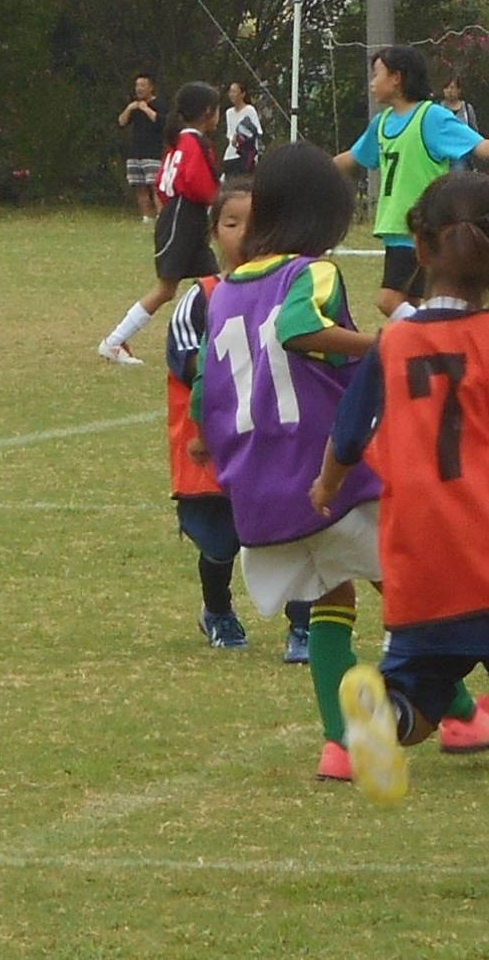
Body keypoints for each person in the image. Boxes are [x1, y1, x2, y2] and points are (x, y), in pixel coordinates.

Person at [310, 171, 489, 888]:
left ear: (419, 247)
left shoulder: (391, 343)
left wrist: (326, 486)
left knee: (420, 688)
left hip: (420, 560)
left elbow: (349, 434)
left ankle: (385, 716)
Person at [187, 142, 382, 780]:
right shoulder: (310, 272)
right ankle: (456, 710)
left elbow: (204, 386)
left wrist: (204, 438)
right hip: (326, 474)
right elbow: (298, 329)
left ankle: (340, 745)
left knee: (332, 596)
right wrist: (381, 346)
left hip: (260, 491)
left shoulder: (224, 291)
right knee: (412, 587)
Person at [165, 175, 313, 661]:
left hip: (279, 443)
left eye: (257, 223)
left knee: (292, 532)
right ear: (213, 233)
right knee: (220, 540)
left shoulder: (292, 290)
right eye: (232, 223)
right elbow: (187, 360)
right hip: (218, 447)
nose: (246, 234)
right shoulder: (201, 297)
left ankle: (303, 625)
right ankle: (218, 610)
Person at [334, 46, 489, 320]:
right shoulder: (381, 123)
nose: (371, 83)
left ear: (396, 78)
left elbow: (478, 145)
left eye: (376, 74)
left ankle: (436, 332)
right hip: (395, 228)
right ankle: (437, 334)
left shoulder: (431, 117)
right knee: (416, 301)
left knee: (389, 300)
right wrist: (313, 167)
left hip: (420, 225)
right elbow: (354, 157)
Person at [98, 82, 222, 366]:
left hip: (182, 217)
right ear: (207, 112)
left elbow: (163, 183)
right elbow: (197, 183)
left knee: (217, 283)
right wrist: (219, 202)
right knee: (167, 289)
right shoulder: (195, 142)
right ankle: (114, 341)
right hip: (182, 219)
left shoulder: (180, 140)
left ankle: (219, 343)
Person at [118, 73, 167, 223]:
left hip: (153, 153)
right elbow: (121, 122)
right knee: (139, 186)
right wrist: (129, 108)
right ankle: (147, 217)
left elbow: (162, 123)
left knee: (155, 186)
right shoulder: (134, 106)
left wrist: (146, 109)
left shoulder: (159, 104)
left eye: (143, 85)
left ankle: (161, 216)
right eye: (137, 85)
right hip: (135, 152)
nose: (139, 89)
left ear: (151, 87)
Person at [221, 81, 263, 178]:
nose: (231, 94)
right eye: (230, 92)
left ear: (242, 94)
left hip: (246, 155)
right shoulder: (229, 112)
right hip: (231, 154)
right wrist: (233, 139)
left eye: (234, 92)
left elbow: (258, 131)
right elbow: (230, 133)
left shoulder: (249, 110)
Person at [441, 75, 478, 172]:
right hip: (443, 154)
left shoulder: (467, 108)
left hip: (461, 153)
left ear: (459, 90)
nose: (449, 91)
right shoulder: (438, 109)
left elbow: (474, 131)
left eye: (452, 87)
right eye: (446, 88)